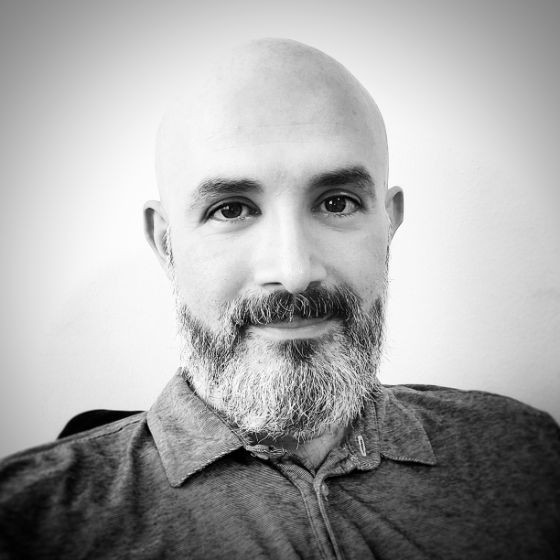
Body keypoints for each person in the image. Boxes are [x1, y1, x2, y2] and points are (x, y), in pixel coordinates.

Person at [0, 38, 558, 560]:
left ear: (388, 224)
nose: (293, 273)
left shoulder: (525, 454)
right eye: (231, 209)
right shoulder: (30, 520)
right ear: (166, 243)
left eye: (337, 203)